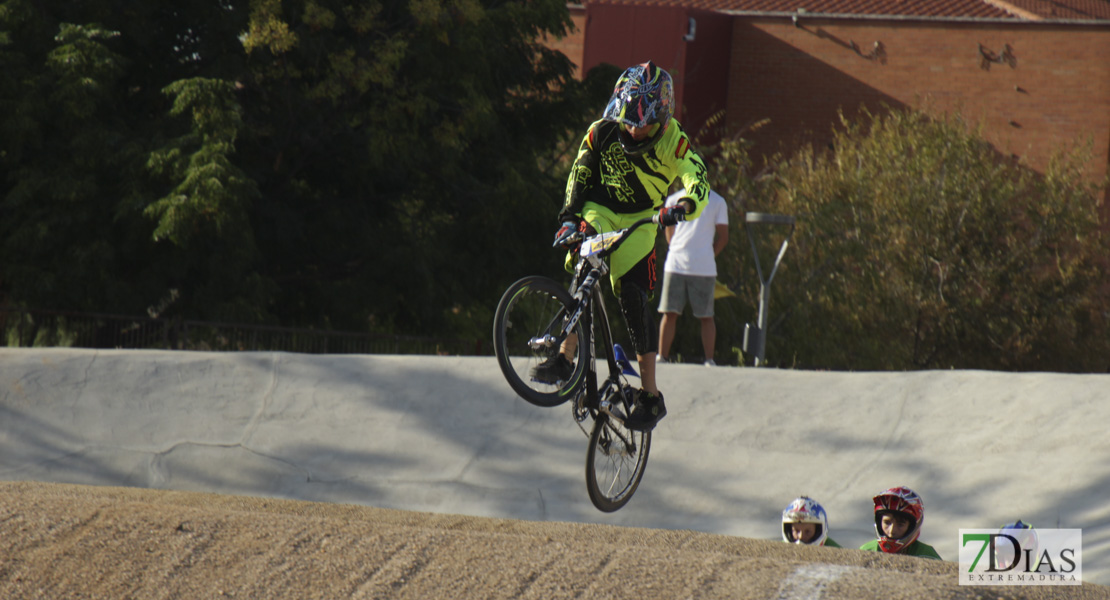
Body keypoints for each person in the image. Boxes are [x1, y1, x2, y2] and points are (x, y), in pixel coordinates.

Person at [530, 60, 710, 432]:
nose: (633, 129)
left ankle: (650, 394)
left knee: (631, 295)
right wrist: (568, 218)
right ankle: (565, 357)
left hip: (643, 219)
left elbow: (698, 178)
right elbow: (579, 172)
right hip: (600, 210)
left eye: (642, 124)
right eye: (628, 119)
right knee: (584, 268)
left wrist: (684, 205)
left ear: (660, 118)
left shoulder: (673, 139)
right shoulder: (602, 131)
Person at [657, 188, 729, 366]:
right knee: (669, 312)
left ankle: (709, 360)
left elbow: (723, 236)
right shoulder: (674, 199)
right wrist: (676, 249)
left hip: (704, 269)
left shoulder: (717, 201)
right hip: (676, 265)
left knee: (706, 316)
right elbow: (668, 228)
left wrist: (708, 255)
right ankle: (662, 357)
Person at [859, 486, 942, 559]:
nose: (891, 531)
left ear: (912, 527)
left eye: (900, 524)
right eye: (887, 522)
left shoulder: (927, 556)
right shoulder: (866, 551)